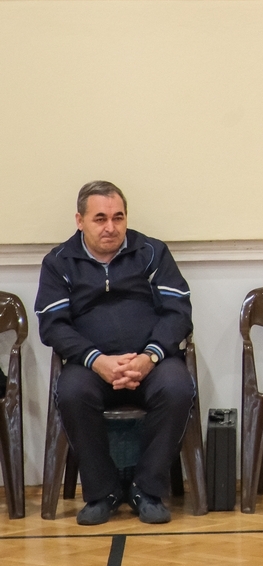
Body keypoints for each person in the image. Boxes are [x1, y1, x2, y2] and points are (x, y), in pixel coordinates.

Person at [34, 181, 193, 526]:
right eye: (100, 218)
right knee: (72, 393)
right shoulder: (59, 262)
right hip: (90, 365)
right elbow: (53, 325)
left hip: (151, 362)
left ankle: (147, 490)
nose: (111, 227)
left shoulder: (151, 252)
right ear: (80, 221)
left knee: (178, 388)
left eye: (118, 217)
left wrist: (149, 357)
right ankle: (102, 493)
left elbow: (178, 312)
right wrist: (97, 360)